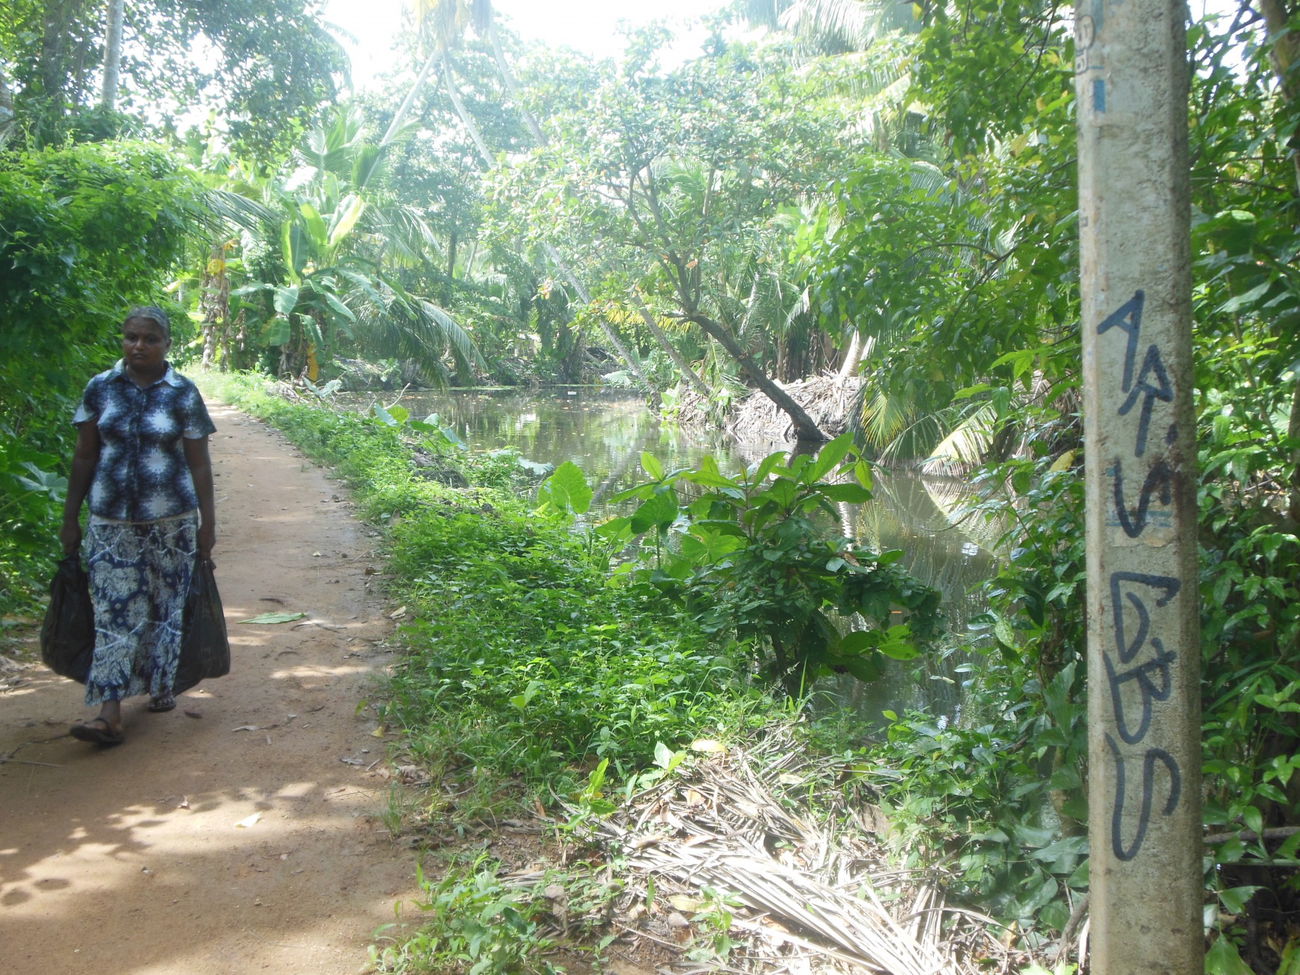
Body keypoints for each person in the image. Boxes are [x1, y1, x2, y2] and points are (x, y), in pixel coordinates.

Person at [59, 306, 217, 746]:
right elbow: (85, 455)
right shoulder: (101, 389)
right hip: (112, 521)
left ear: (167, 344)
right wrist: (70, 516)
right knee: (113, 611)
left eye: (149, 339)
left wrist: (208, 523)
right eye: (131, 337)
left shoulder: (183, 393)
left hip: (173, 523)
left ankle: (161, 682)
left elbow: (199, 463)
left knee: (165, 609)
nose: (138, 346)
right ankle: (109, 712)